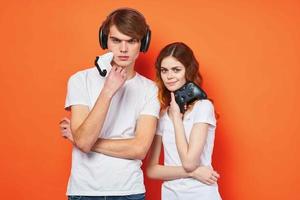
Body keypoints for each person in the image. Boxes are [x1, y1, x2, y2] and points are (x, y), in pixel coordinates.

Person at [63, 8, 160, 200]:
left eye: (131, 41)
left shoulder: (151, 89)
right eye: (116, 40)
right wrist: (108, 90)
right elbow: (83, 140)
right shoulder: (79, 80)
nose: (123, 49)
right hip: (84, 192)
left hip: (129, 191)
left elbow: (139, 149)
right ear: (104, 40)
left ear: (143, 43)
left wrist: (86, 143)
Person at [146, 42, 222, 199]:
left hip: (200, 193)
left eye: (176, 70)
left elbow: (189, 162)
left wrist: (176, 119)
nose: (169, 76)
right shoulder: (162, 115)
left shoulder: (203, 107)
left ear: (188, 70)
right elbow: (152, 170)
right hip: (170, 195)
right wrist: (195, 172)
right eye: (164, 70)